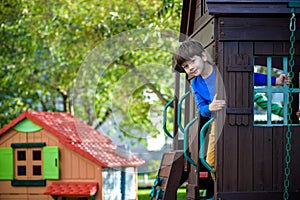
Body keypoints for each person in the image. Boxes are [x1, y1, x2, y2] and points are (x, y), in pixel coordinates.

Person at [174, 40, 225, 181]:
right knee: (211, 161)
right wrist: (210, 107)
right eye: (185, 66)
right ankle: (219, 189)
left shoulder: (219, 70)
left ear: (203, 56)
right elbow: (201, 109)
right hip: (217, 121)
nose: (190, 68)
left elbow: (252, 77)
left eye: (192, 61)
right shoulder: (195, 83)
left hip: (236, 118)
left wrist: (275, 81)